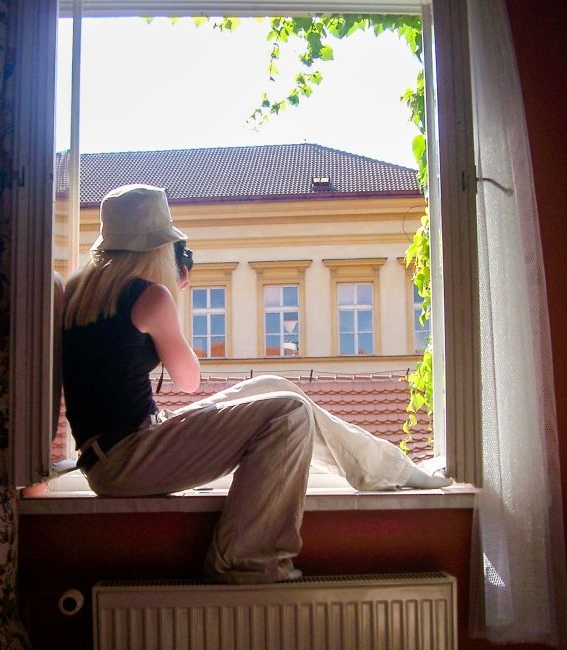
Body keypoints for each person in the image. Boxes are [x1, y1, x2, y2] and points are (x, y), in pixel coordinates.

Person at [61, 184, 453, 585]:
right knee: (289, 411)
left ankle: (389, 469)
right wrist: (174, 305)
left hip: (109, 458)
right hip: (130, 458)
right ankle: (247, 561)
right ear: (158, 248)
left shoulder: (76, 294)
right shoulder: (151, 297)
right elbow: (189, 379)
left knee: (272, 385)